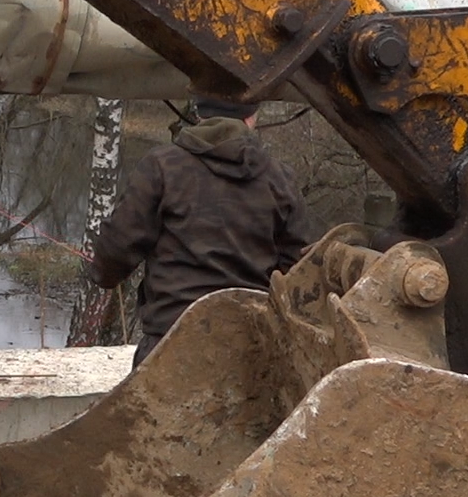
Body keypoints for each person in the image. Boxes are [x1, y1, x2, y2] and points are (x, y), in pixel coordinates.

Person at [87, 95, 314, 367]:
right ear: (252, 118)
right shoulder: (280, 179)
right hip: (248, 350)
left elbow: (117, 249)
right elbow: (298, 272)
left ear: (198, 114)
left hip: (169, 344)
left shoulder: (162, 166)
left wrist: (103, 275)